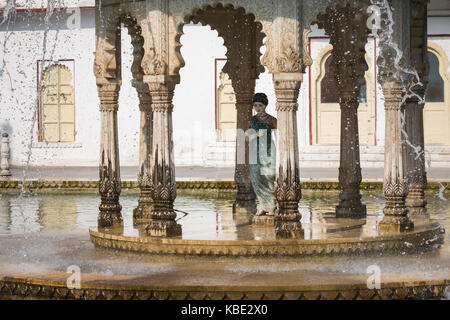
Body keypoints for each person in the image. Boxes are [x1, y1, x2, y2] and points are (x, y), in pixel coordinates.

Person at [247, 93, 277, 216]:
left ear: (265, 105)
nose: (257, 108)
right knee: (256, 178)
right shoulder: (252, 120)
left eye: (260, 105)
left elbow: (278, 136)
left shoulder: (272, 120)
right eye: (255, 106)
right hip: (255, 151)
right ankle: (263, 206)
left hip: (269, 151)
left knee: (268, 177)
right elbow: (246, 137)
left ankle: (272, 206)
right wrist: (256, 135)